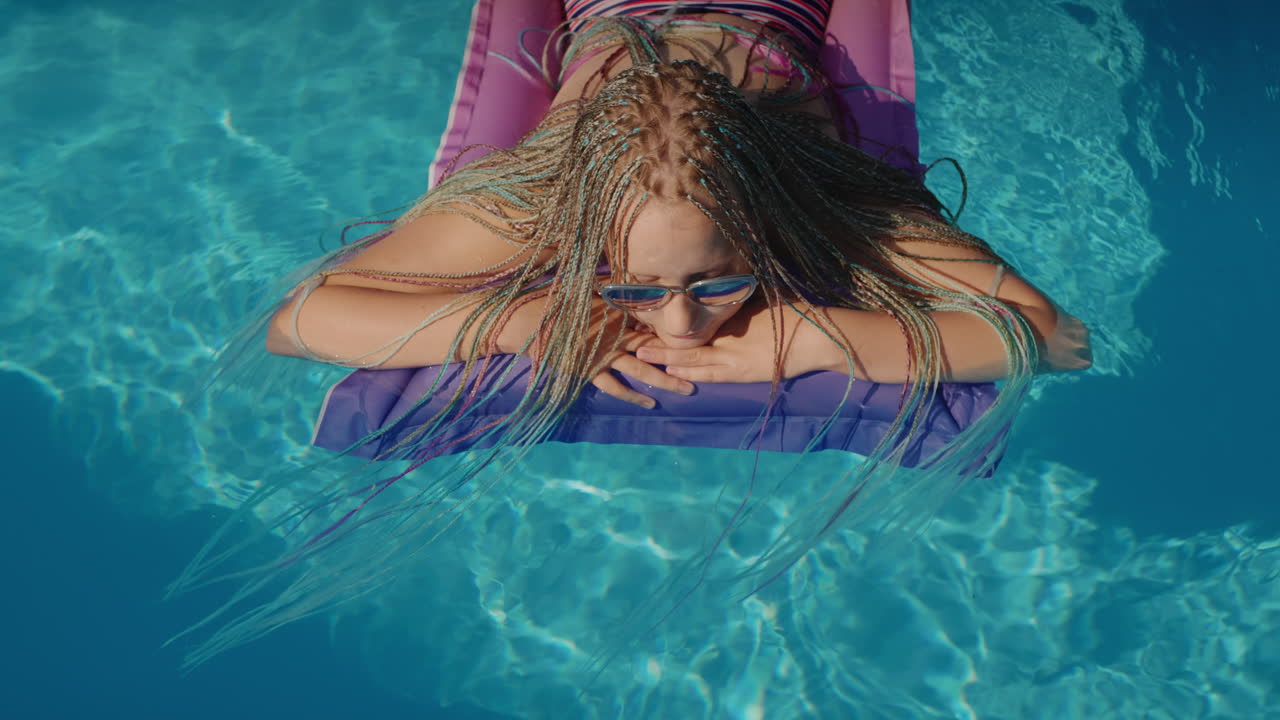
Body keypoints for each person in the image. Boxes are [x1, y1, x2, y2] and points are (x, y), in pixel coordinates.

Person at [172, 4, 1090, 670]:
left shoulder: (827, 200)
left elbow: (1055, 339)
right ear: (582, 241)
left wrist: (821, 338)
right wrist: (522, 316)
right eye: (634, 289)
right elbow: (298, 320)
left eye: (719, 281)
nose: (679, 324)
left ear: (764, 225)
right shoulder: (525, 206)